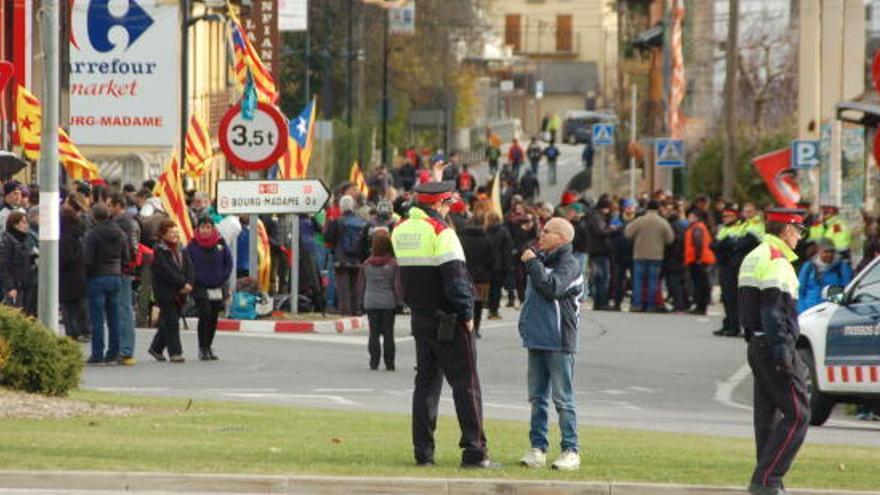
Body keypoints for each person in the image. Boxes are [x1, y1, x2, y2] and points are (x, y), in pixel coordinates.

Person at [390, 181, 497, 469]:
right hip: (449, 319)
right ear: (438, 204)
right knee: (466, 385)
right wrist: (468, 314)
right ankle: (474, 451)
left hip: (421, 317)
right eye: (448, 204)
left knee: (425, 386)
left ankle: (423, 452)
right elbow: (456, 280)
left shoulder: (400, 230)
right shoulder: (442, 232)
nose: (449, 209)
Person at [738, 208, 810, 495]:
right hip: (773, 345)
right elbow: (773, 312)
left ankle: (767, 480)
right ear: (786, 229)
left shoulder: (755, 255)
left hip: (757, 344)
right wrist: (783, 353)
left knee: (767, 416)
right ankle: (767, 480)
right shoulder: (778, 261)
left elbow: (747, 307)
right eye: (799, 230)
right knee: (798, 414)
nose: (800, 237)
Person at [517, 217, 584, 471]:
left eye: (547, 232)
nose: (541, 235)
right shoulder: (542, 260)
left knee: (563, 399)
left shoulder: (570, 265)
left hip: (559, 341)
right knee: (537, 399)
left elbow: (551, 288)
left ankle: (571, 450)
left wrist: (532, 262)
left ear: (563, 238)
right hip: (536, 339)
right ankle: (538, 448)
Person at [83, 203, 130, 365]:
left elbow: (88, 260)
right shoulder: (120, 233)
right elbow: (127, 258)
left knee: (97, 319)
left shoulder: (92, 234)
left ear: (94, 217)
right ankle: (113, 353)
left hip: (97, 278)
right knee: (114, 318)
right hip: (115, 277)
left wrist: (87, 276)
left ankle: (97, 354)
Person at [187, 216, 233, 361]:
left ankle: (208, 346)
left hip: (217, 286)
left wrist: (222, 277)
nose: (205, 230)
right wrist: (193, 280)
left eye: (208, 227)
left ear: (212, 228)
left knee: (213, 318)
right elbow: (188, 265)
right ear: (198, 229)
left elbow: (228, 263)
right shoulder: (192, 245)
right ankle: (202, 348)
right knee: (205, 315)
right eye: (202, 227)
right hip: (200, 286)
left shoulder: (220, 243)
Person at [148, 220, 194, 363]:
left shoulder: (182, 249)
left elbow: (189, 268)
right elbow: (167, 272)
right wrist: (182, 283)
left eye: (176, 232)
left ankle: (156, 348)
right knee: (172, 322)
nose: (175, 235)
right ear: (163, 234)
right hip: (166, 292)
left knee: (168, 321)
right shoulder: (159, 251)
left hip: (181, 292)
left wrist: (189, 283)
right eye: (171, 233)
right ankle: (175, 353)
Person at [356, 231, 403, 371]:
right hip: (388, 302)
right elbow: (397, 286)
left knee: (374, 333)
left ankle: (374, 362)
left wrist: (360, 301)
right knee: (389, 333)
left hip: (370, 301)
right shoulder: (393, 264)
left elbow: (360, 285)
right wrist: (400, 302)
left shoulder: (366, 264)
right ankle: (389, 363)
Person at [625, 200, 674, 312]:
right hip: (656, 255)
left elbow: (627, 233)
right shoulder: (663, 222)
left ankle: (637, 304)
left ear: (647, 207)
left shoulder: (640, 221)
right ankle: (650, 305)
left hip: (639, 254)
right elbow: (670, 239)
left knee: (638, 280)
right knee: (653, 281)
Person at [110, 193, 140, 365]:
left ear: (118, 205)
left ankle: (125, 350)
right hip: (124, 269)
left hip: (122, 270)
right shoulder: (132, 222)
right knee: (121, 309)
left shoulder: (123, 223)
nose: (108, 208)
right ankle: (122, 349)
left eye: (109, 204)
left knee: (123, 309)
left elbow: (129, 249)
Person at [324, 195, 367, 315]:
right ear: (353, 206)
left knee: (343, 286)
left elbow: (328, 238)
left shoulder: (337, 222)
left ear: (341, 208)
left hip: (341, 258)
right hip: (358, 259)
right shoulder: (362, 222)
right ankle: (357, 309)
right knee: (356, 285)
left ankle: (345, 311)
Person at [712, 203, 746, 336]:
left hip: (733, 266)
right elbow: (714, 244)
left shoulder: (739, 228)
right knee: (726, 296)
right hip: (724, 265)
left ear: (735, 216)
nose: (725, 218)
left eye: (728, 215)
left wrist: (722, 245)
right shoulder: (724, 229)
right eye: (724, 215)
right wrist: (722, 244)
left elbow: (733, 246)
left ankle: (734, 325)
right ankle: (728, 323)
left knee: (733, 297)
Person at [459, 215, 495, 338]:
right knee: (478, 305)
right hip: (482, 276)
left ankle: (465, 327)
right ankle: (475, 329)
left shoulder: (461, 238)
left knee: (464, 302)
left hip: (464, 273)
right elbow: (491, 259)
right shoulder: (487, 239)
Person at [797, 238, 853, 314]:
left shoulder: (841, 266)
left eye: (832, 251)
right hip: (809, 311)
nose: (829, 255)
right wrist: (802, 311)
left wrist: (836, 309)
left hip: (831, 311)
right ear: (818, 251)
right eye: (826, 252)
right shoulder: (809, 266)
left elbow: (846, 290)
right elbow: (799, 291)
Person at [60, 207, 89, 342]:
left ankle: (73, 333)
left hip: (67, 277)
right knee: (79, 306)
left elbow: (65, 258)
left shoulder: (65, 237)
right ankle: (84, 330)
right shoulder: (79, 234)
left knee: (68, 308)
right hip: (80, 275)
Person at [0, 211, 35, 313]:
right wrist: (10, 287)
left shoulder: (22, 240)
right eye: (23, 222)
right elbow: (3, 265)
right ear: (14, 224)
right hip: (15, 286)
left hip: (24, 285)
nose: (26, 225)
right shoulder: (8, 241)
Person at [683, 208, 716, 315]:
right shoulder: (698, 227)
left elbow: (698, 244)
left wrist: (697, 259)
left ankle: (700, 306)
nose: (689, 218)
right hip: (701, 259)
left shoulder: (697, 228)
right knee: (701, 284)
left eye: (691, 216)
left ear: (696, 217)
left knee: (699, 284)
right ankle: (701, 305)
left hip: (698, 260)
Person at [585, 198, 613, 310]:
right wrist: (611, 229)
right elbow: (600, 231)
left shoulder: (594, 216)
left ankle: (599, 302)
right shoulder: (597, 217)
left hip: (597, 251)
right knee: (603, 278)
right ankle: (601, 302)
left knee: (599, 278)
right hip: (600, 251)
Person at [485, 212, 512, 320]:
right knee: (496, 289)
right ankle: (494, 311)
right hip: (499, 265)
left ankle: (490, 309)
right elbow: (507, 251)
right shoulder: (504, 232)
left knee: (490, 289)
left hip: (487, 265)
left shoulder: (485, 231)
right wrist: (508, 265)